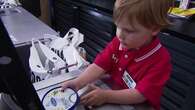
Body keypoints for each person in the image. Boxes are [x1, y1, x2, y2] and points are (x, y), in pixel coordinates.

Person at [61, 0, 173, 110]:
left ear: (154, 29)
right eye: (118, 26)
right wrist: (77, 83)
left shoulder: (161, 60)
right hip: (113, 93)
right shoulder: (119, 42)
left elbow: (140, 95)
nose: (120, 35)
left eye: (129, 31)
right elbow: (100, 65)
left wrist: (105, 96)